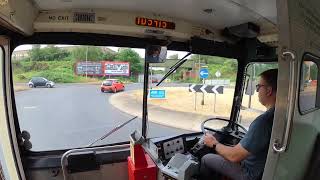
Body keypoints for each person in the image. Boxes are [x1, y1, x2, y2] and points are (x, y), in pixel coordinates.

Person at [200, 69, 278, 180]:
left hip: (250, 174)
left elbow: (234, 156)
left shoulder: (263, 122)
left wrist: (214, 143)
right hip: (262, 170)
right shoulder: (279, 115)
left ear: (269, 90)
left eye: (258, 87)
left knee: (206, 158)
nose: (257, 91)